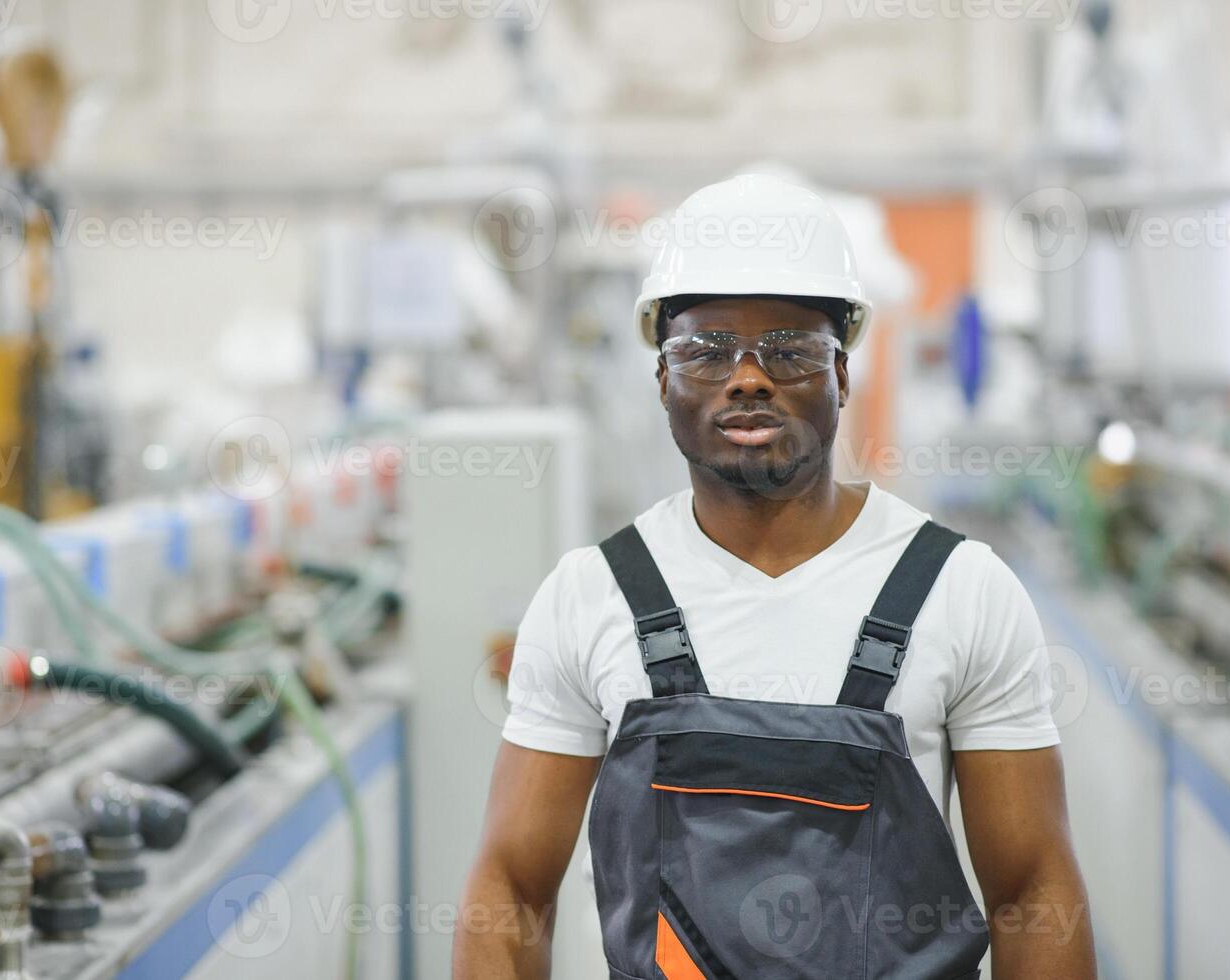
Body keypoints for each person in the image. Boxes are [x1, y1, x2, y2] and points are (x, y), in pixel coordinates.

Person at [454, 173, 1095, 978]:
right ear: (661, 379)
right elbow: (508, 891)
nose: (748, 376)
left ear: (843, 376)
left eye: (790, 350)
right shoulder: (593, 596)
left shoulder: (960, 590)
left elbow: (1034, 895)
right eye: (705, 350)